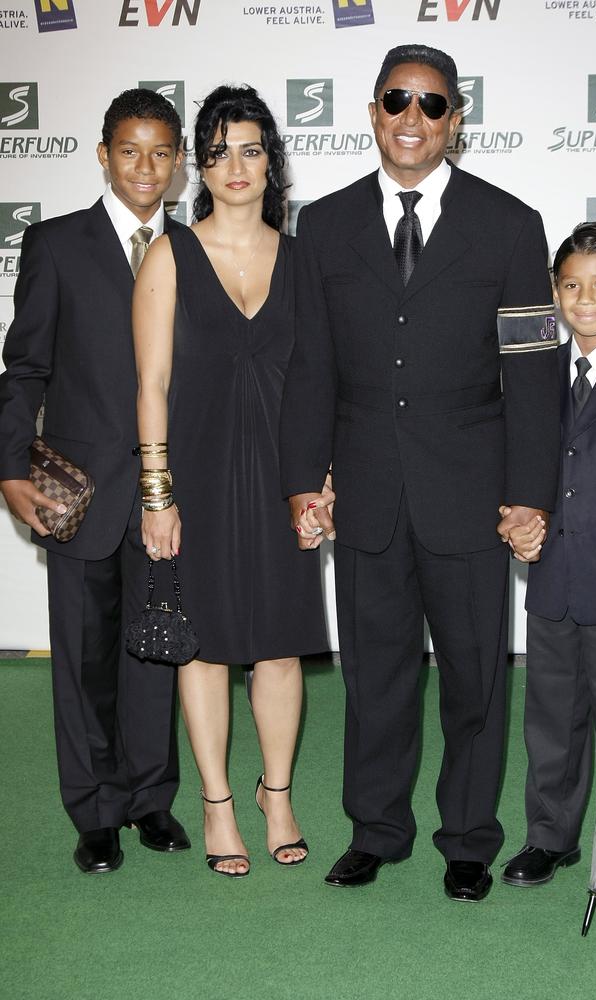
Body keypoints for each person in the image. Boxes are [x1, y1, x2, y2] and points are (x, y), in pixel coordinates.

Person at [279, 44, 561, 901]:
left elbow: (535, 378)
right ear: (372, 113)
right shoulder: (322, 226)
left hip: (473, 497)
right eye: (397, 100)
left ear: (455, 123)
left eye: (432, 105)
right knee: (374, 678)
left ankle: (469, 839)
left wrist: (529, 497)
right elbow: (310, 367)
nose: (413, 117)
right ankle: (376, 829)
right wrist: (303, 477)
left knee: (475, 680)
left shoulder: (512, 226)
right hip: (365, 494)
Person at [132, 85, 327, 878]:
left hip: (283, 479)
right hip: (199, 477)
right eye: (217, 152)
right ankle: (216, 801)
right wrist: (157, 494)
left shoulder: (302, 255)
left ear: (270, 160)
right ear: (198, 168)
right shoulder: (168, 253)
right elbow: (150, 383)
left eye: (250, 149)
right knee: (203, 647)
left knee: (279, 648)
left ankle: (274, 794)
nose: (234, 167)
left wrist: (320, 480)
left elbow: (319, 379)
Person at [0, 89, 190, 873]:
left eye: (160, 152)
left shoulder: (199, 249)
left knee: (155, 650)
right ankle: (95, 811)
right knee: (82, 657)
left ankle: (150, 800)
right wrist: (11, 468)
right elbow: (26, 368)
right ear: (104, 153)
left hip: (167, 495)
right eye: (129, 149)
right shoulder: (56, 245)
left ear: (178, 163)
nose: (145, 166)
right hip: (76, 494)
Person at [501, 221, 596, 905]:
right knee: (551, 720)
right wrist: (513, 515)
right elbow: (517, 465)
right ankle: (550, 836)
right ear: (554, 294)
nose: (584, 298)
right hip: (552, 583)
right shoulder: (533, 374)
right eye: (570, 285)